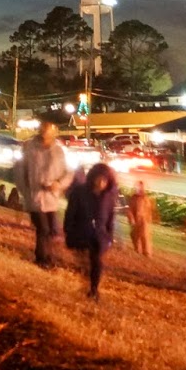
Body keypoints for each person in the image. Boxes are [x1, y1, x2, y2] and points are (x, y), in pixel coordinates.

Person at [16, 120, 69, 268]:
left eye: (49, 131)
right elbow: (20, 171)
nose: (46, 134)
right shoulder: (30, 148)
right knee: (43, 228)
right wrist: (26, 192)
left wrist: (58, 184)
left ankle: (50, 257)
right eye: (44, 130)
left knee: (52, 230)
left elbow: (66, 172)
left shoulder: (58, 151)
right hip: (35, 197)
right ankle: (41, 258)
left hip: (51, 198)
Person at [63, 163, 118, 299]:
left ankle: (94, 289)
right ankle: (88, 283)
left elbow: (110, 218)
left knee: (96, 262)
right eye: (99, 179)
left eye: (104, 180)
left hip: (99, 237)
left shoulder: (108, 197)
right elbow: (70, 213)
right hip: (81, 233)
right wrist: (68, 230)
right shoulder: (80, 192)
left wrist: (109, 237)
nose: (101, 183)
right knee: (85, 263)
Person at [126, 180, 156, 256]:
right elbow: (129, 210)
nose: (139, 189)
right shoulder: (133, 198)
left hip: (144, 221)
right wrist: (131, 219)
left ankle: (147, 253)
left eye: (141, 187)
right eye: (138, 187)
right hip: (136, 221)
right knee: (134, 235)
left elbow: (149, 210)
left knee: (145, 236)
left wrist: (149, 219)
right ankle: (137, 250)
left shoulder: (146, 198)